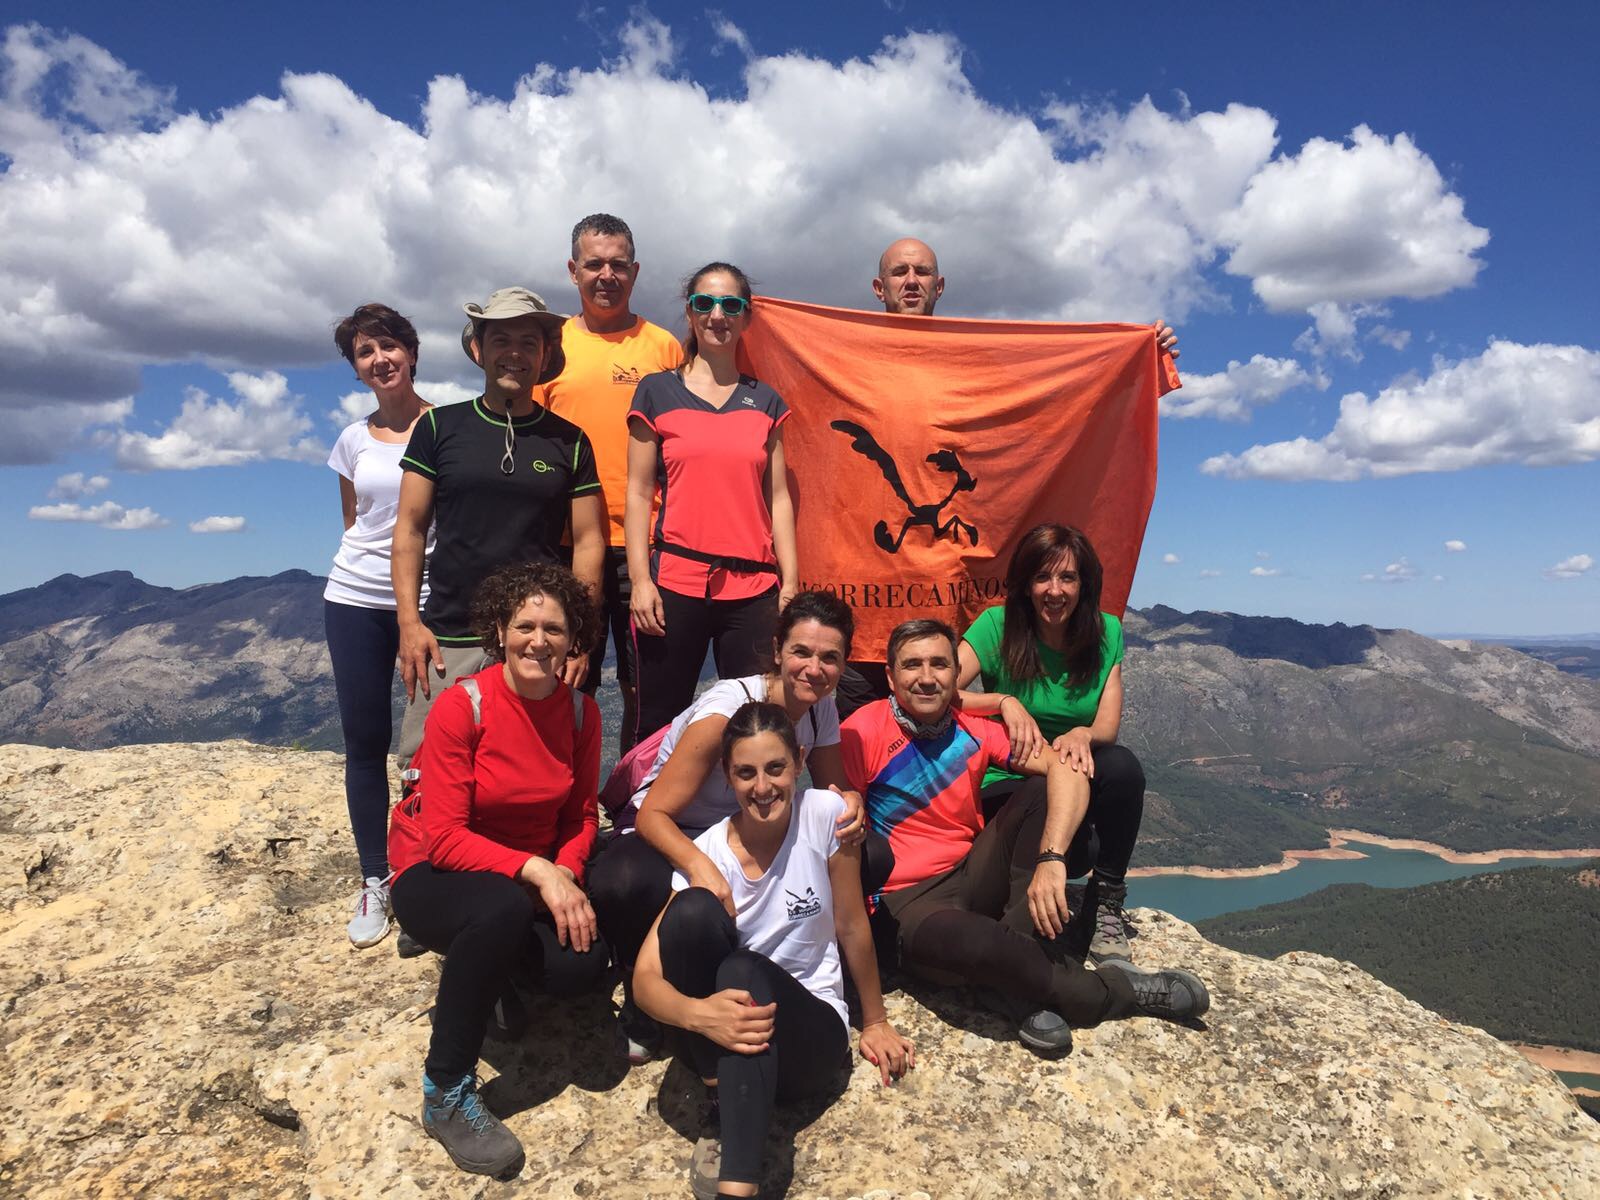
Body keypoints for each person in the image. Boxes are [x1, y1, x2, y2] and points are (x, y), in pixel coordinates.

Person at [832, 237, 1180, 720]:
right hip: (865, 606)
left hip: (951, 606)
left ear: (939, 285)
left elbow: (1055, 407)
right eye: (900, 272)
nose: (911, 281)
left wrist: (1138, 358)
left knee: (934, 751)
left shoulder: (974, 361)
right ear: (879, 286)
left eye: (922, 272)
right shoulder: (844, 355)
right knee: (856, 750)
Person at [840, 618, 1209, 1056]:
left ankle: (1014, 977)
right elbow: (840, 828)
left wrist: (1052, 858)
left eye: (939, 664)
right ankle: (1113, 992)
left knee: (1038, 790)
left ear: (956, 675)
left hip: (971, 871)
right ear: (890, 676)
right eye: (911, 665)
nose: (926, 677)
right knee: (979, 942)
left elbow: (1065, 769)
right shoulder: (861, 732)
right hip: (908, 901)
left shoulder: (972, 727)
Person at [588, 590, 888, 1060]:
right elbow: (653, 814)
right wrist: (700, 867)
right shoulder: (726, 711)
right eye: (802, 652)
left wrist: (851, 804)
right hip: (677, 827)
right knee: (623, 881)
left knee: (870, 852)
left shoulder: (820, 705)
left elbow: (834, 794)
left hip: (748, 827)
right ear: (778, 650)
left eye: (829, 658)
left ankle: (813, 959)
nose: (814, 669)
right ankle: (641, 993)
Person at [633, 701, 913, 1200]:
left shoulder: (824, 815)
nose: (762, 787)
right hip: (724, 1041)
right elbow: (644, 980)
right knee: (692, 912)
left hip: (809, 1038)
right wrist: (699, 1016)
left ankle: (736, 1188)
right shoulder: (710, 850)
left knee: (743, 970)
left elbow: (851, 924)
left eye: (775, 768)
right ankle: (722, 1101)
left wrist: (874, 1020)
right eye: (746, 773)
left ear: (800, 762)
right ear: (727, 775)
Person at [388, 563, 609, 1178]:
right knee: (500, 908)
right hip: (434, 875)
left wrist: (565, 872)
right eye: (525, 627)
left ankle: (489, 979)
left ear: (573, 640)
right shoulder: (465, 707)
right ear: (500, 632)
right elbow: (445, 839)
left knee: (580, 967)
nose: (538, 641)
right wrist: (538, 872)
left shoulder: (581, 714)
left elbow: (581, 816)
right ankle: (445, 1090)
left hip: (524, 879)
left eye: (554, 629)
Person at [392, 287, 606, 768]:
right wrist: (409, 623)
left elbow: (589, 541)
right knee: (428, 773)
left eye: (529, 343)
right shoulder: (438, 428)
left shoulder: (569, 441)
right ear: (479, 348)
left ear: (544, 354)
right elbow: (410, 528)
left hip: (537, 640)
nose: (515, 353)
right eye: (501, 340)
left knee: (530, 771)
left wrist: (578, 638)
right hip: (450, 634)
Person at [625, 262, 798, 742]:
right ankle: (645, 796)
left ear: (746, 317)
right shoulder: (656, 391)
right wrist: (640, 581)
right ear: (690, 312)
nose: (717, 315)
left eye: (730, 305)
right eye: (705, 303)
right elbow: (638, 492)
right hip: (673, 584)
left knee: (754, 727)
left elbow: (778, 497)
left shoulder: (767, 402)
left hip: (754, 590)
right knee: (657, 724)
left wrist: (790, 582)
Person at [958, 523, 1145, 963]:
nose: (1054, 591)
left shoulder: (1107, 632)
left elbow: (1107, 725)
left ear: (1084, 584)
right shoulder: (996, 626)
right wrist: (1001, 701)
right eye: (1042, 577)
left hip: (1071, 777)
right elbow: (941, 691)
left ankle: (1105, 902)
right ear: (1025, 585)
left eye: (1067, 578)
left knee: (1122, 768)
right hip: (1010, 778)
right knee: (1049, 803)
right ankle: (1025, 925)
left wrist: (1084, 733)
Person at [542, 214, 685, 752]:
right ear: (573, 270)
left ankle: (635, 792)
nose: (607, 275)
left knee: (644, 687)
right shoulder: (550, 347)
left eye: (618, 265)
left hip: (643, 544)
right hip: (562, 541)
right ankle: (562, 791)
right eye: (594, 264)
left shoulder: (664, 348)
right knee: (562, 678)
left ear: (635, 271)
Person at [324, 302, 434, 947]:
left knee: (432, 747)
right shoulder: (351, 440)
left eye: (389, 346)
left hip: (430, 602)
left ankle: (426, 873)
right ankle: (375, 878)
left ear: (411, 353)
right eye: (365, 352)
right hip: (355, 599)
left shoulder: (443, 426)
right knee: (364, 741)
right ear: (357, 368)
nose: (380, 359)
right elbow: (355, 522)